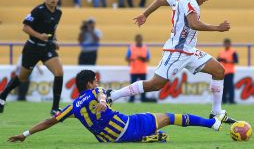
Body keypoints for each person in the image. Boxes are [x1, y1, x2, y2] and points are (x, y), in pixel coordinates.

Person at [107, 0, 236, 124]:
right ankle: (114, 95)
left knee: (219, 70)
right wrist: (218, 28)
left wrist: (145, 14)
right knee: (155, 84)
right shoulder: (190, 1)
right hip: (176, 52)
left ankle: (217, 113)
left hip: (189, 51)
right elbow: (194, 24)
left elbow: (161, 0)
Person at [8, 70, 226, 143]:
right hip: (126, 127)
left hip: (107, 138)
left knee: (147, 121)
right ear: (90, 83)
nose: (97, 83)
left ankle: (147, 137)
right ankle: (212, 124)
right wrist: (103, 103)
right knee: (169, 117)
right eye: (95, 80)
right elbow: (102, 96)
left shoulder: (73, 106)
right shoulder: (96, 91)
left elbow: (50, 121)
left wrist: (25, 133)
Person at [0, 0, 63, 115]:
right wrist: (40, 36)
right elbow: (25, 27)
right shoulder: (38, 10)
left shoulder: (58, 12)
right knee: (22, 77)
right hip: (32, 48)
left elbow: (53, 28)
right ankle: (3, 95)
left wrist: (55, 40)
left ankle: (55, 108)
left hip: (47, 48)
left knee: (59, 72)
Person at [126, 34, 156, 103]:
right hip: (134, 70)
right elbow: (127, 58)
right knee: (132, 86)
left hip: (142, 70)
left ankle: (143, 98)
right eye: (138, 39)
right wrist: (132, 59)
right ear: (136, 40)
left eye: (140, 39)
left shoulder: (145, 48)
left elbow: (148, 59)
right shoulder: (131, 48)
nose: (139, 41)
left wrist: (142, 58)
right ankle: (132, 99)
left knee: (143, 86)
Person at [217, 39, 238, 104]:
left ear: (230, 44)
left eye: (228, 44)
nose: (226, 45)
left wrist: (227, 61)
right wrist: (219, 59)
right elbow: (217, 60)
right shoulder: (221, 52)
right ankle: (224, 100)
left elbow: (236, 61)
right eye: (225, 43)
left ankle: (231, 100)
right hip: (223, 72)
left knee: (230, 87)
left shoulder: (233, 52)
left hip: (230, 72)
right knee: (223, 87)